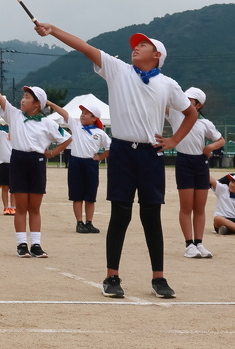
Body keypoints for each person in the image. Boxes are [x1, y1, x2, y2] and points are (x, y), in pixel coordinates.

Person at [33, 24, 197, 299]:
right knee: (120, 214)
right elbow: (83, 47)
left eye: (143, 45)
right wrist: (53, 30)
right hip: (121, 151)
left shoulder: (168, 84)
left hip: (151, 153)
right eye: (136, 44)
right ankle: (112, 276)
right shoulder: (118, 69)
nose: (136, 47)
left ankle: (159, 278)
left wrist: (174, 140)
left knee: (151, 216)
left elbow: (190, 113)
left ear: (157, 55)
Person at [0, 72, 70, 258]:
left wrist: (52, 153)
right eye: (23, 96)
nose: (22, 100)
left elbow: (67, 138)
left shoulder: (48, 123)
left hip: (37, 162)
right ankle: (21, 244)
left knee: (35, 208)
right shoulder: (14, 115)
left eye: (27, 97)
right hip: (18, 160)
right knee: (21, 207)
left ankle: (36, 245)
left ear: (37, 104)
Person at [167, 87, 225, 259]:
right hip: (184, 162)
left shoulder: (205, 123)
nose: (184, 101)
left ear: (198, 105)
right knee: (186, 207)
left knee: (199, 207)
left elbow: (220, 140)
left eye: (189, 99)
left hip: (201, 163)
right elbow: (162, 103)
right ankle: (189, 245)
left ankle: (199, 243)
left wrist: (209, 147)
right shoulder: (176, 114)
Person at [46, 102, 110, 234]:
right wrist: (50, 104)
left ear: (94, 118)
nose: (82, 115)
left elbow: (111, 148)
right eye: (82, 113)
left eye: (86, 113)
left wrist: (100, 157)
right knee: (77, 195)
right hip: (76, 162)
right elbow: (64, 113)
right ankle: (79, 223)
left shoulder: (100, 133)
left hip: (91, 164)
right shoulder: (76, 126)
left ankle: (89, 223)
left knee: (90, 195)